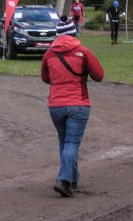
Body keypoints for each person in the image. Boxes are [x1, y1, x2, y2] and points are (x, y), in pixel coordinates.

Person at [41, 20, 104, 197]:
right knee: (71, 144)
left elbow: (45, 78)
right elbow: (99, 75)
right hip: (78, 104)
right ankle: (63, 180)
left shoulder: (49, 55)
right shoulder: (83, 52)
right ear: (74, 33)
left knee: (65, 142)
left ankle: (72, 178)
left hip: (56, 106)